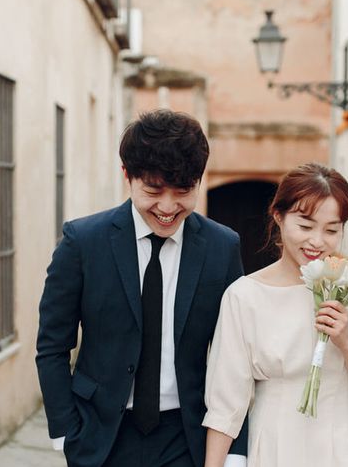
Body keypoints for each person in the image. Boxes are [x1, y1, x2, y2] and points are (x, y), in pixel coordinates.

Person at [36, 110, 248, 467]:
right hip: (100, 436)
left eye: (183, 192)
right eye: (152, 190)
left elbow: (237, 357)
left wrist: (235, 447)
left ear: (199, 181)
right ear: (127, 175)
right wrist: (65, 429)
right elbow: (52, 344)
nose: (167, 208)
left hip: (188, 435)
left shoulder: (222, 247)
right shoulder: (82, 242)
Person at [202, 162, 348, 467]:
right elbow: (225, 403)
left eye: (331, 230)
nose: (317, 241)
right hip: (275, 447)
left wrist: (347, 341)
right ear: (279, 217)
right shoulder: (244, 296)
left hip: (345, 446)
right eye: (306, 226)